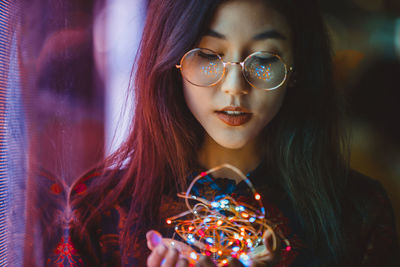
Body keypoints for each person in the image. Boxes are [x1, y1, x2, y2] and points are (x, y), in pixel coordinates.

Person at [46, 0, 399, 266]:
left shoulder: (358, 213)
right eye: (209, 55)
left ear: (297, 69)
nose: (234, 87)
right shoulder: (99, 211)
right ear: (173, 61)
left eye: (263, 59)